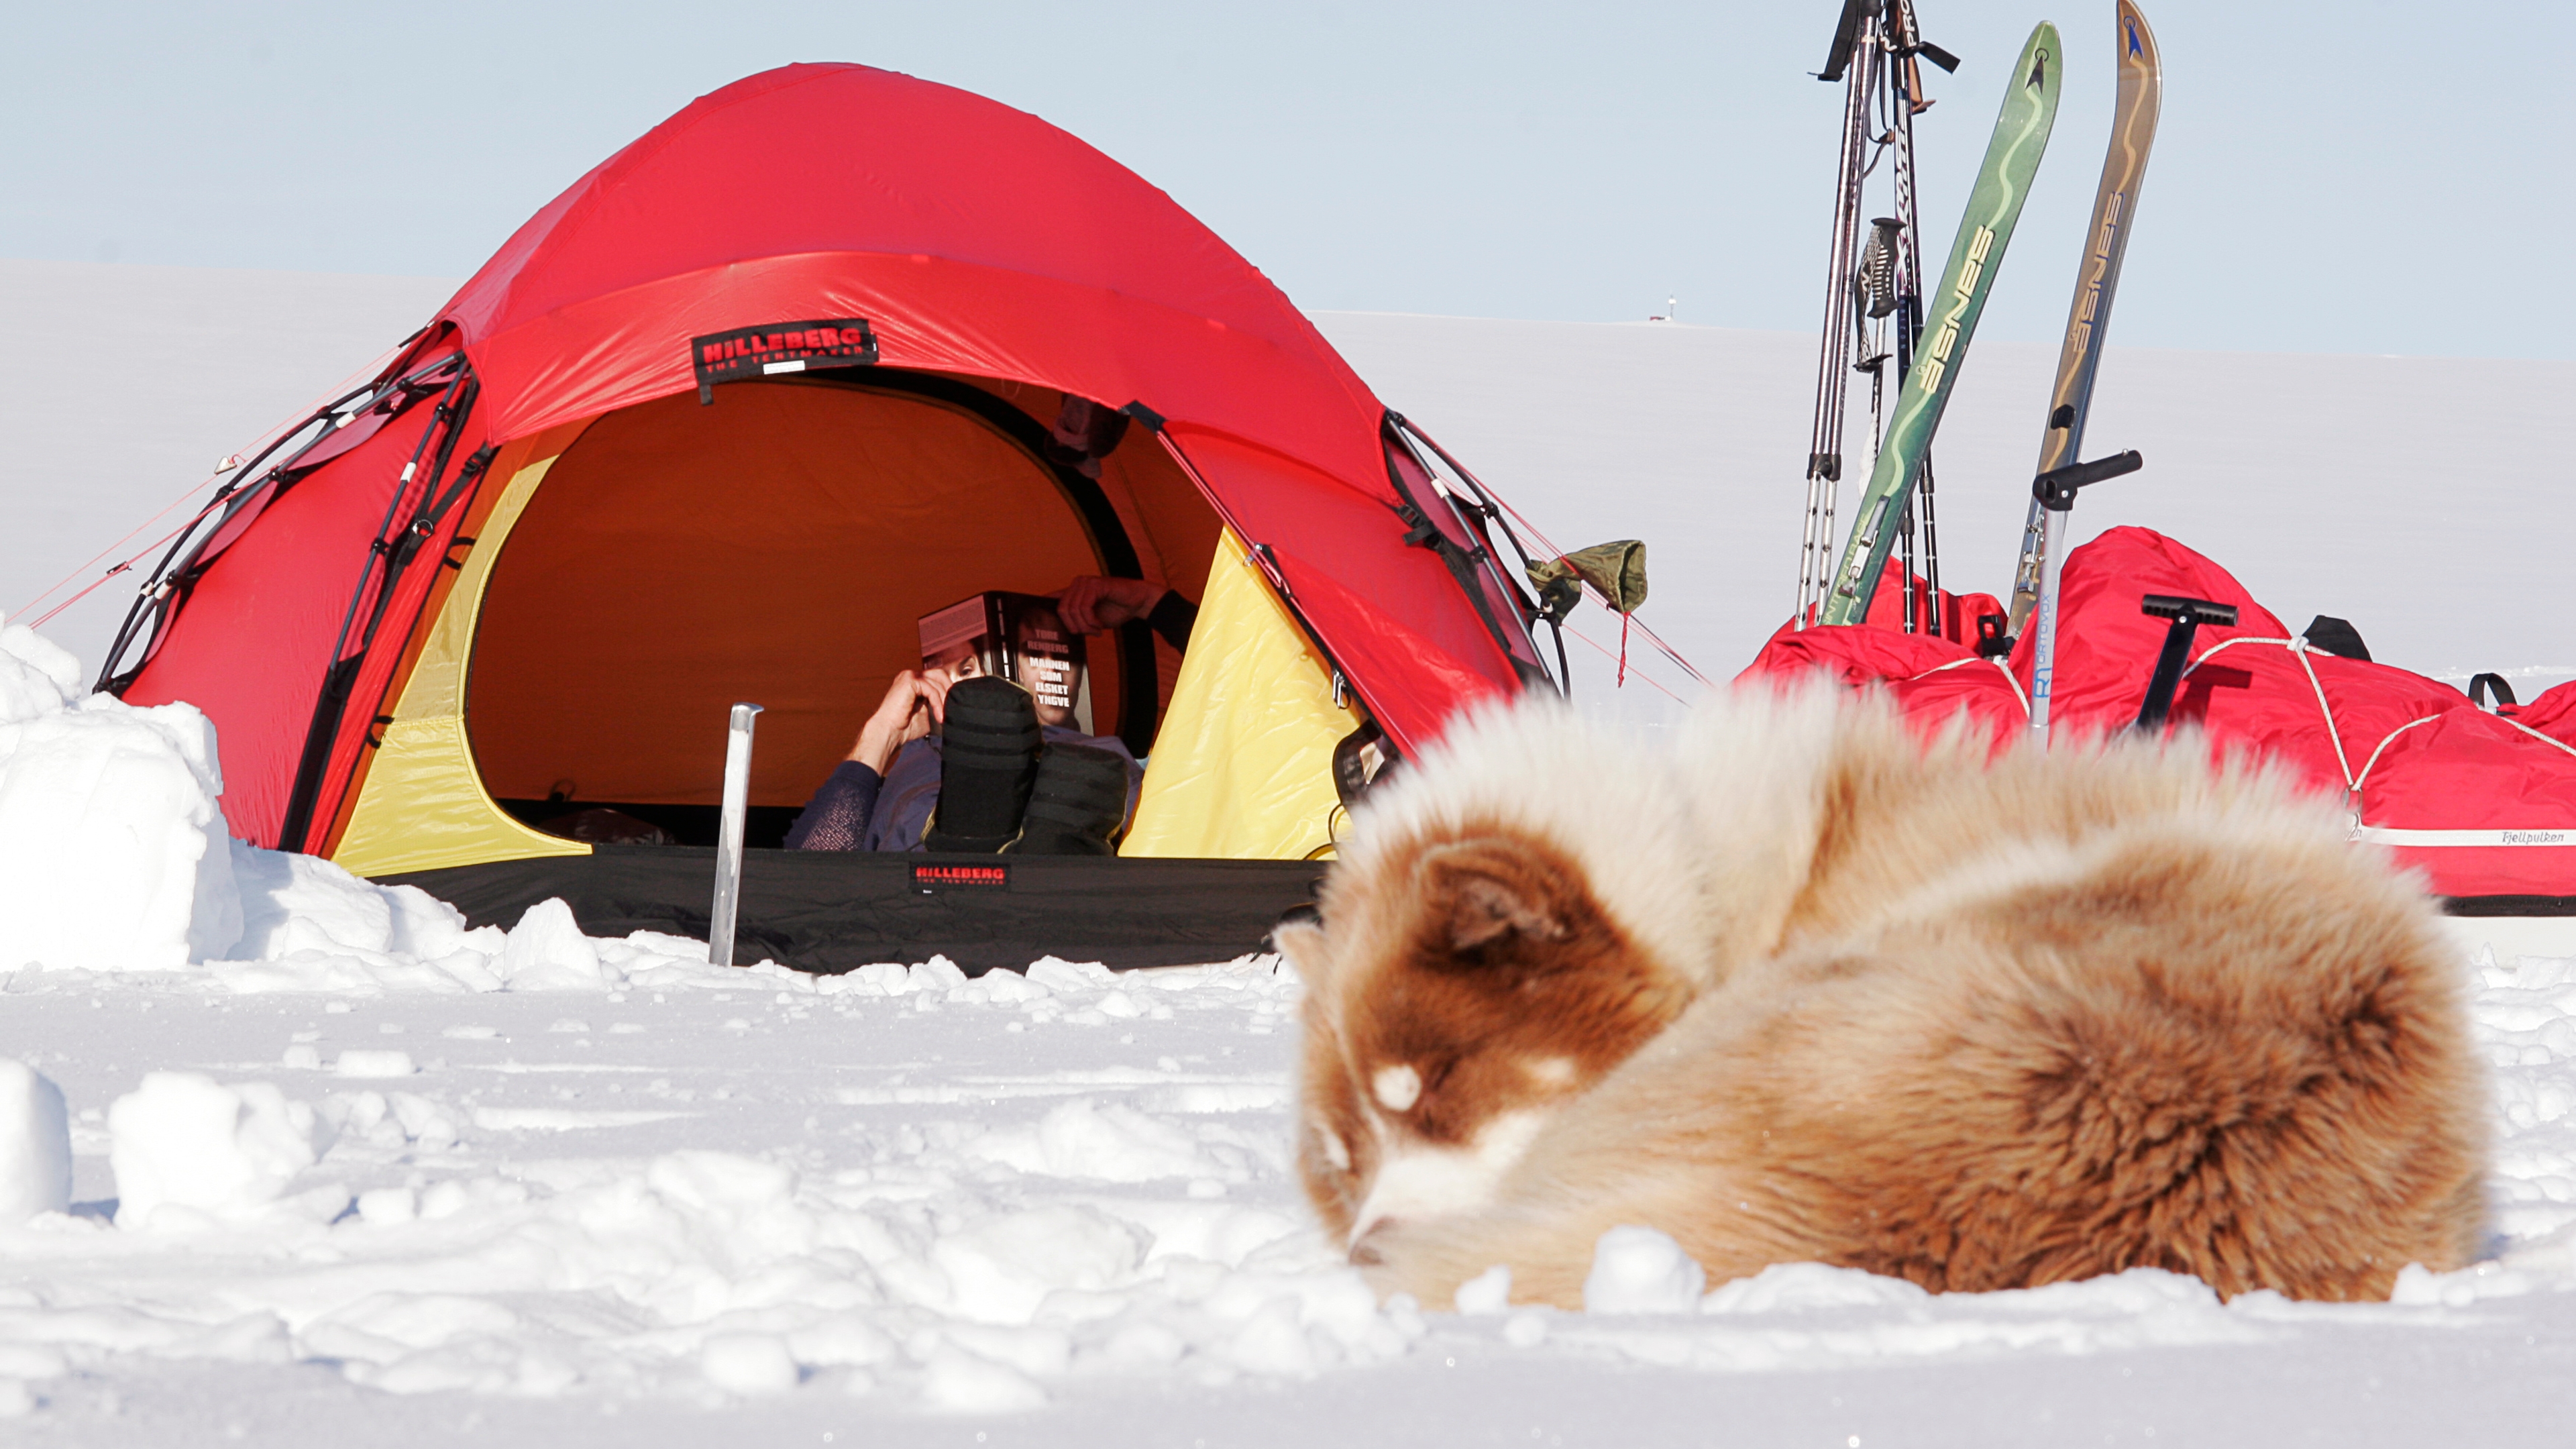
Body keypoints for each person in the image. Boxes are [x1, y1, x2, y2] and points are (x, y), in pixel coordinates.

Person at [784, 576, 1195, 853]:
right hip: (939, 848)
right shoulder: (916, 756)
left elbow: (1239, 692)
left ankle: (994, 838)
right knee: (1087, 785)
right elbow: (809, 871)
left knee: (1109, 777)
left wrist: (1152, 603)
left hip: (1085, 811)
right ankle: (988, 831)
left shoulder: (1106, 753)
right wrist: (883, 736)